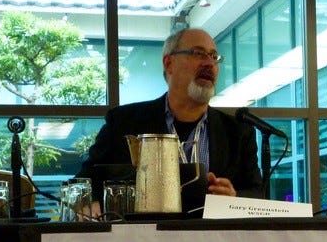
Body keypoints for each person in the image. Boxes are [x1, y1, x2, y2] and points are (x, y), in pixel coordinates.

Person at [77, 27, 263, 214]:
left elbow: (258, 194)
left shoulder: (238, 131)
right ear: (168, 63)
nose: (209, 63)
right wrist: (91, 204)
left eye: (214, 57)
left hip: (212, 232)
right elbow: (84, 183)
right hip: (145, 232)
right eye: (198, 53)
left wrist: (234, 198)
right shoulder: (124, 122)